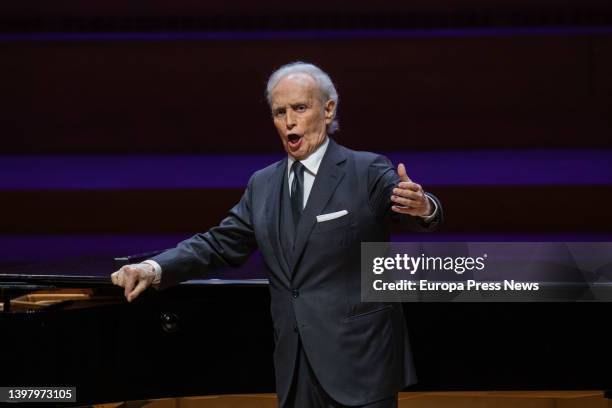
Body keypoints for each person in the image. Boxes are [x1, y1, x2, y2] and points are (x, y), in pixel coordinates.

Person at [111, 61, 443, 408]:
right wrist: (153, 268)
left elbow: (413, 207)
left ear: (328, 109)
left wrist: (423, 207)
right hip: (295, 366)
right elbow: (218, 243)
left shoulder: (366, 169)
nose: (289, 121)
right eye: (279, 112)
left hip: (360, 361)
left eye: (299, 108)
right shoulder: (262, 185)